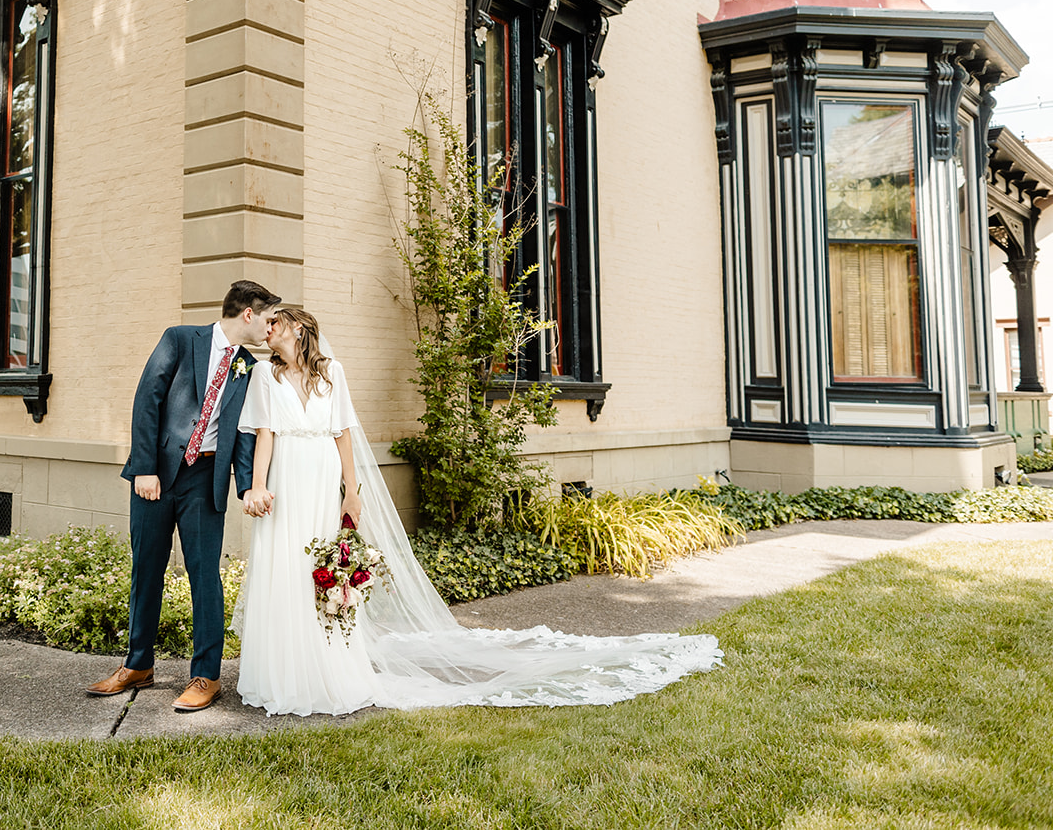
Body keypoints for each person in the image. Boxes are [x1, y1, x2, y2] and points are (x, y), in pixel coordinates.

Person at [235, 307, 724, 717]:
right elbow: (265, 436)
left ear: (299, 328)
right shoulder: (264, 374)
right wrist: (258, 486)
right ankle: (285, 672)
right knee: (286, 567)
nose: (267, 330)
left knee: (323, 566)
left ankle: (326, 669)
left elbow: (343, 433)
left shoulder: (331, 374)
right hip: (286, 480)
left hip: (322, 477)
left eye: (275, 323)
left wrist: (352, 490)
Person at [85, 279, 281, 713]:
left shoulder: (249, 366)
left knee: (204, 575)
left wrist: (247, 485)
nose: (271, 328)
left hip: (206, 477)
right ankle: (137, 665)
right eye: (268, 318)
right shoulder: (179, 339)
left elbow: (245, 434)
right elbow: (147, 400)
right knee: (147, 569)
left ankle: (206, 675)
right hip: (158, 476)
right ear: (248, 313)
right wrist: (145, 468)